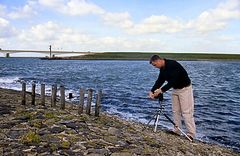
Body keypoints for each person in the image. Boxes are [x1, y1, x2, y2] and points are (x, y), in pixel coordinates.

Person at [148, 55, 196, 140]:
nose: (155, 67)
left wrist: (161, 90)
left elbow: (174, 81)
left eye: (155, 65)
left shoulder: (173, 65)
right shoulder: (162, 69)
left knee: (186, 112)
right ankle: (176, 130)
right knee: (175, 111)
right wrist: (152, 91)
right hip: (175, 89)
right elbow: (160, 81)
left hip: (185, 89)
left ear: (159, 61)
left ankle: (191, 134)